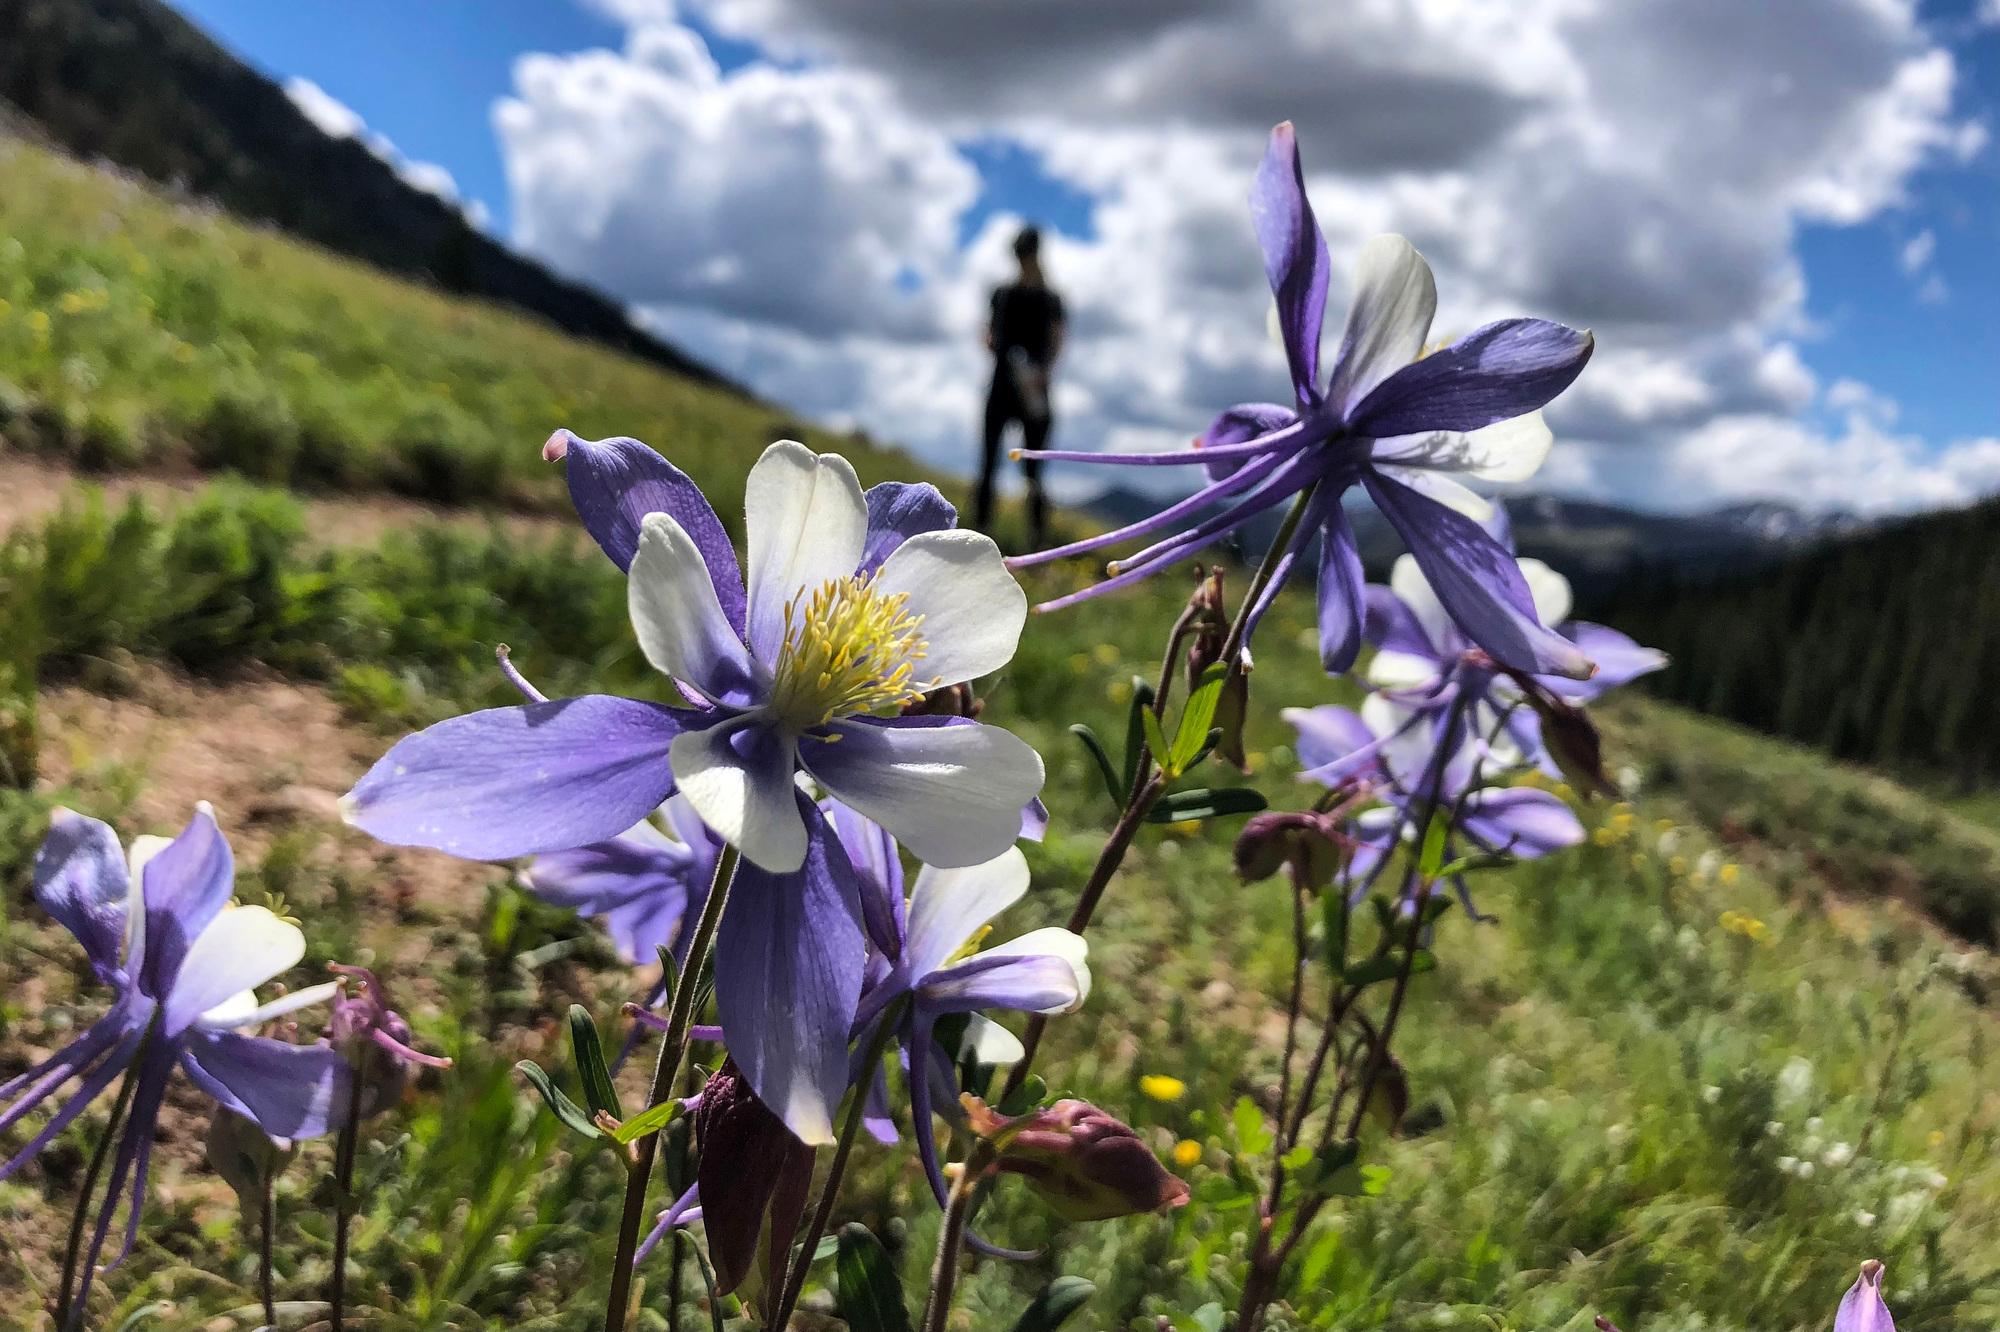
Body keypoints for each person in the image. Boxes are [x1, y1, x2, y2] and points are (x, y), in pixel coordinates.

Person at [978, 225, 1065, 550]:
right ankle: (982, 532)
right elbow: (988, 334)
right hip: (1003, 384)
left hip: (1034, 391)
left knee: (1034, 470)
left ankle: (1037, 543)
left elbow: (1057, 341)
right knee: (988, 464)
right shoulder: (1002, 294)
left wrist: (1041, 372)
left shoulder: (1050, 299)